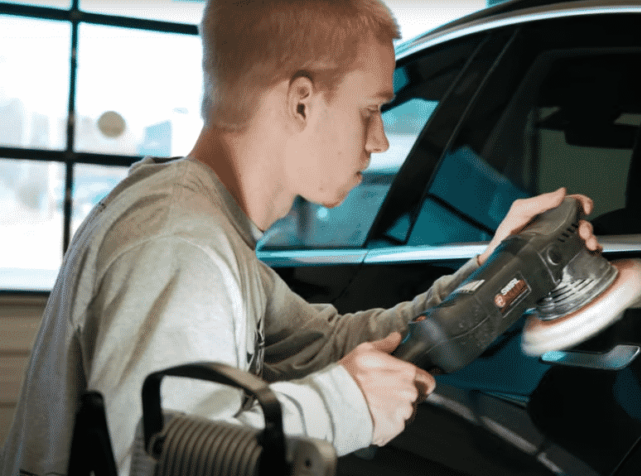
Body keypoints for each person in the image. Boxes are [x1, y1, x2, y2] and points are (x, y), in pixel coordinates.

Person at [0, 0, 601, 474]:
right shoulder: (180, 243)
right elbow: (153, 453)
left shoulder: (202, 226)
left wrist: (495, 267)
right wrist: (347, 408)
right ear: (301, 102)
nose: (380, 140)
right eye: (370, 109)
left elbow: (326, 344)